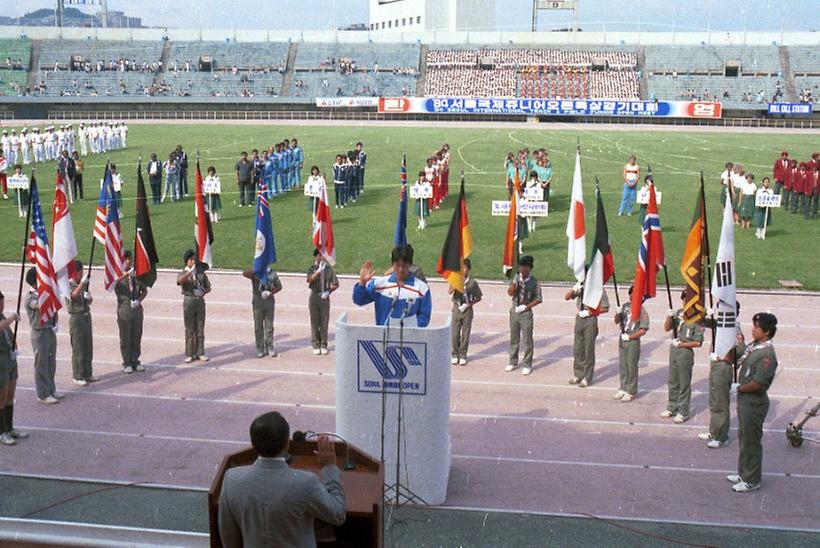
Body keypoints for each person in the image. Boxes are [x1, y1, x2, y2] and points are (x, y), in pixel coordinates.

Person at [218, 411, 346, 547]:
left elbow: (228, 538)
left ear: (253, 444)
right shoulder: (306, 483)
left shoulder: (231, 479)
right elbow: (337, 514)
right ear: (287, 443)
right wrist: (330, 467)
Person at [726, 312, 778, 493]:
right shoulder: (754, 346)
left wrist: (739, 388)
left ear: (767, 332)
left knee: (751, 442)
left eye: (756, 327)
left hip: (754, 402)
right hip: (745, 401)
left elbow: (759, 383)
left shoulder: (767, 355)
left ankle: (752, 479)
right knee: (744, 438)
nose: (753, 329)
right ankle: (743, 473)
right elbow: (734, 358)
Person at [698, 301, 745, 448]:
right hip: (715, 366)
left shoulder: (733, 328)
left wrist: (721, 357)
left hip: (723, 366)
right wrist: (706, 313)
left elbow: (740, 350)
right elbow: (699, 320)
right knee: (714, 400)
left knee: (720, 403)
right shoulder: (721, 324)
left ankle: (721, 436)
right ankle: (714, 431)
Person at [353, 245, 432, 328]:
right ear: (392, 265)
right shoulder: (379, 284)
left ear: (410, 265)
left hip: (409, 338)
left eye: (404, 265)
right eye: (397, 265)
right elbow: (359, 300)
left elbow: (424, 317)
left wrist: (407, 330)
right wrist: (362, 283)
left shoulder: (422, 289)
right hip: (384, 337)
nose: (401, 269)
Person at [660, 292, 704, 423]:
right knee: (672, 381)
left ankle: (683, 410)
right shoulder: (678, 314)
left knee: (684, 383)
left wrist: (682, 344)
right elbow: (667, 328)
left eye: (688, 300)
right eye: (684, 300)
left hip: (685, 352)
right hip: (674, 350)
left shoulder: (696, 318)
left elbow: (698, 342)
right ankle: (672, 406)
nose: (685, 303)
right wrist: (669, 316)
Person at [25, 268, 61, 404]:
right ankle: (43, 394)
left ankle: (51, 389)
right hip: (39, 333)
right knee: (41, 364)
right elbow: (40, 306)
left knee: (51, 362)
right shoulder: (30, 297)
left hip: (49, 330)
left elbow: (53, 309)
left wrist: (55, 321)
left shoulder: (45, 293)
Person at [565, 280, 609, 387]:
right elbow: (567, 297)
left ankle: (588, 377)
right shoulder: (580, 287)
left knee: (588, 349)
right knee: (578, 348)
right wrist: (574, 288)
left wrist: (590, 312)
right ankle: (579, 374)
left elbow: (605, 308)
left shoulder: (598, 289)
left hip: (590, 319)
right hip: (579, 318)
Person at [506, 255, 542, 376]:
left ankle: (527, 364)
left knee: (527, 339)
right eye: (521, 267)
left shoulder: (534, 282)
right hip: (514, 310)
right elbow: (510, 293)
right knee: (514, 337)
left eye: (524, 267)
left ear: (530, 268)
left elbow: (539, 299)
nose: (522, 269)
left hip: (526, 312)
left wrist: (526, 307)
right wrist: (514, 284)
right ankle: (513, 361)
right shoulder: (516, 278)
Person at [613, 287, 649, 402]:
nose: (633, 296)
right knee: (623, 365)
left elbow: (643, 330)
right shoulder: (625, 307)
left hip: (632, 340)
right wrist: (618, 313)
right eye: (632, 294)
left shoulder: (642, 311)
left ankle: (631, 390)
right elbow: (617, 321)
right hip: (622, 338)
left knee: (631, 366)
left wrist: (630, 337)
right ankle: (623, 387)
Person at [0, 290, 28, 445]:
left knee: (10, 395)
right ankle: (1, 431)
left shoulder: (3, 317)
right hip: (0, 361)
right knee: (1, 398)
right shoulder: (4, 319)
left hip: (9, 358)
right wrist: (12, 318)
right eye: (0, 303)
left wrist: (14, 346)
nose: (2, 306)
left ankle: (10, 428)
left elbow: (9, 333)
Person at [115, 251, 148, 374]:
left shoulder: (136, 275)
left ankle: (136, 360)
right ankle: (127, 362)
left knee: (136, 335)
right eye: (126, 259)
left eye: (130, 259)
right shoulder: (118, 276)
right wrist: (126, 275)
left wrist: (139, 301)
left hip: (136, 309)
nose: (128, 262)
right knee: (125, 337)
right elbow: (113, 283)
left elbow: (144, 291)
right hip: (124, 309)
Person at [178, 249, 211, 363]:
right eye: (191, 260)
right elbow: (179, 281)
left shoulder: (200, 273)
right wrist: (189, 272)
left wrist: (203, 292)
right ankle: (190, 353)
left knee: (200, 327)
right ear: (186, 261)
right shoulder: (184, 272)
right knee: (190, 328)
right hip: (189, 300)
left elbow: (208, 287)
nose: (193, 262)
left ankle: (200, 352)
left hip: (199, 301)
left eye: (194, 259)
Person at [66, 261, 95, 386]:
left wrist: (88, 297)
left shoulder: (80, 284)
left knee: (87, 346)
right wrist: (83, 284)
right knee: (78, 348)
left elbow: (87, 300)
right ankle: (78, 375)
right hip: (76, 318)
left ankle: (87, 373)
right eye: (80, 272)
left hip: (86, 316)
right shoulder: (68, 284)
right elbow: (73, 296)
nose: (81, 274)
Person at [243, 267, 283, 358]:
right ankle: (260, 348)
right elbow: (245, 273)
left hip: (269, 301)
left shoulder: (272, 273)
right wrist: (256, 269)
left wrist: (271, 293)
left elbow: (279, 286)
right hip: (257, 299)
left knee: (269, 326)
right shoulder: (255, 272)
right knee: (258, 326)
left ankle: (270, 347)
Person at [449, 258, 482, 366]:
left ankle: (463, 354)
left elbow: (479, 297)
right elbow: (449, 291)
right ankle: (454, 354)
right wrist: (456, 282)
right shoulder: (456, 279)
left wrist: (468, 304)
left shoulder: (472, 283)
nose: (463, 270)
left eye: (465, 268)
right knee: (454, 333)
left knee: (465, 334)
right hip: (457, 308)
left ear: (469, 269)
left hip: (467, 309)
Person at [306, 249, 339, 355]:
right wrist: (318, 271)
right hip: (314, 296)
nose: (322, 258)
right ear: (316, 257)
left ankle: (324, 344)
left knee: (324, 322)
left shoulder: (329, 270)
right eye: (320, 256)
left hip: (324, 297)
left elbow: (336, 284)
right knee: (314, 322)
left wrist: (328, 292)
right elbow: (309, 280)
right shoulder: (312, 268)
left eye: (323, 256)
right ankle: (315, 344)